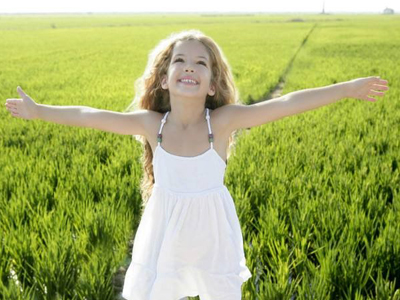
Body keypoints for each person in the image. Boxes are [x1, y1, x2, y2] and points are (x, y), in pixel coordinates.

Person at [4, 29, 389, 300]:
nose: (189, 66)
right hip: (164, 233)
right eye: (180, 61)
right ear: (164, 80)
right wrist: (40, 112)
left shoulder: (219, 124)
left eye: (200, 63)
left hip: (213, 235)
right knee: (158, 290)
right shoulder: (151, 125)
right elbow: (90, 115)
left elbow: (287, 103)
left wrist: (349, 88)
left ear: (211, 84)